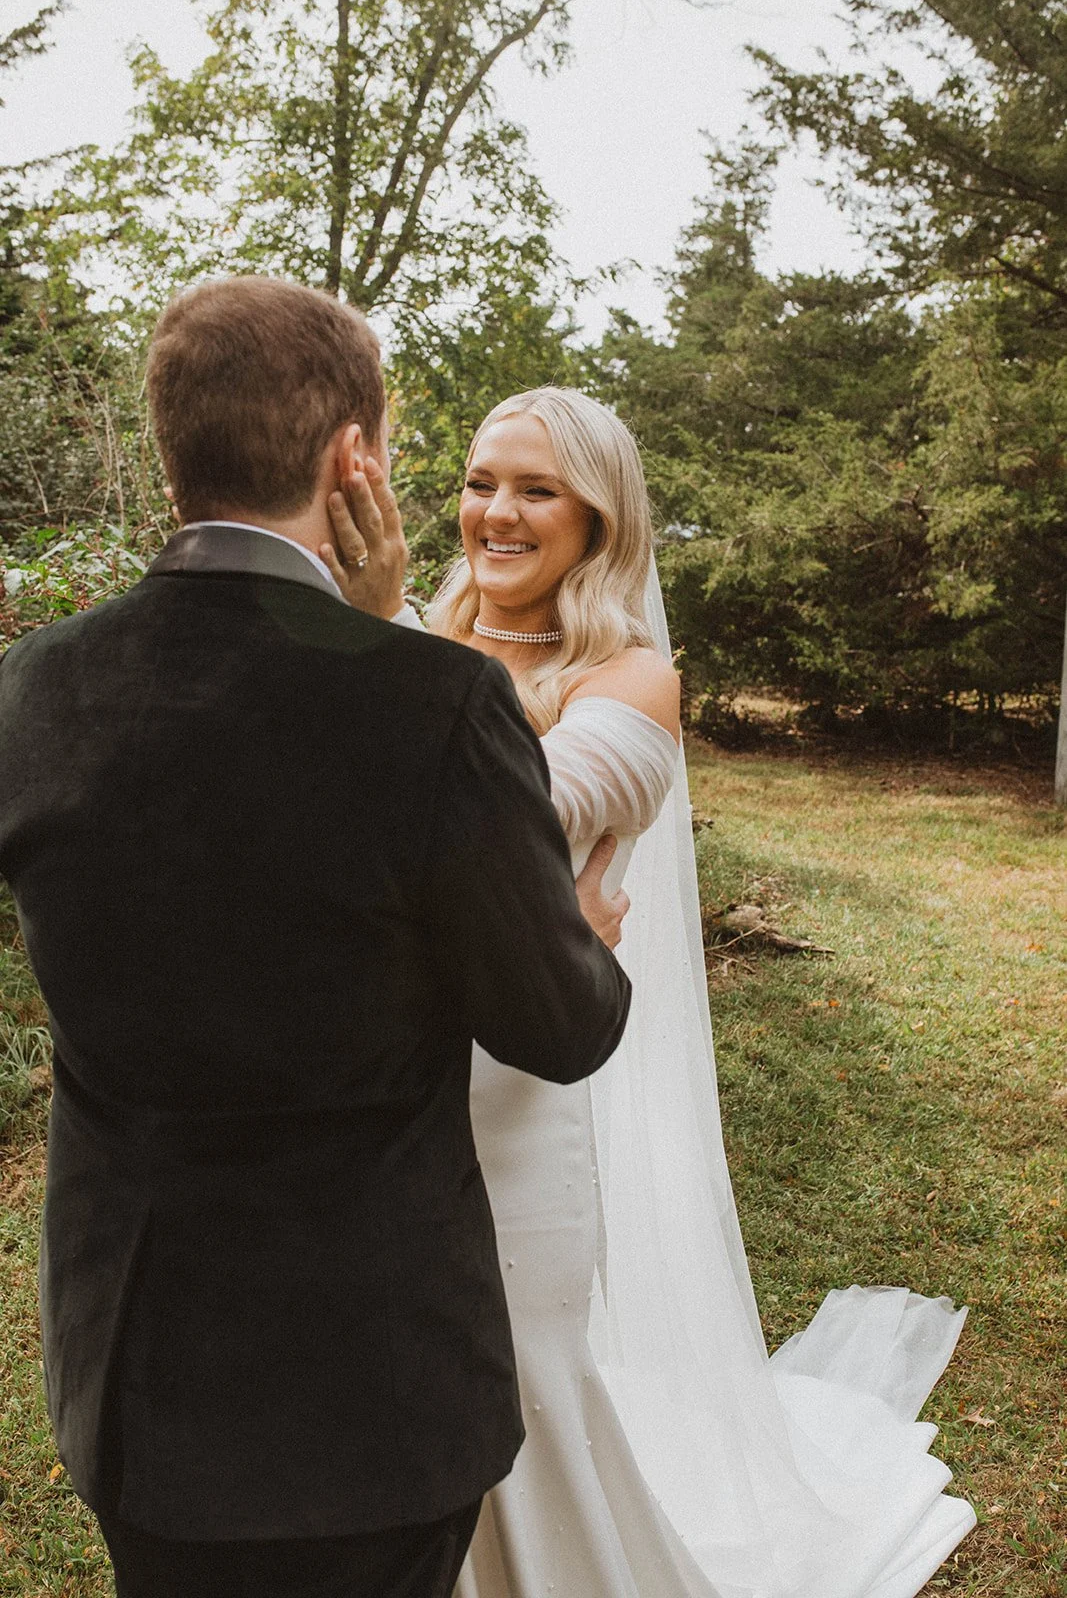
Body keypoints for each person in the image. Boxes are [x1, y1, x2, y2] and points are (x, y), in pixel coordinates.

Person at [0, 281, 636, 1598]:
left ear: (172, 448)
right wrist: (571, 930)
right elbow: (557, 1029)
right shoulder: (436, 704)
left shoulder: (36, 686)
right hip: (372, 1399)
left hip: (133, 1373)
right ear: (355, 459)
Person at [326, 385, 978, 1598]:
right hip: (373, 1081)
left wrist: (378, 647)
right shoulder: (412, 638)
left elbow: (502, 825)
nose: (496, 512)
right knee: (390, 1371)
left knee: (513, 1372)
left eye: (535, 489)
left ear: (597, 518)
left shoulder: (631, 677)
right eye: (478, 481)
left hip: (505, 1089)